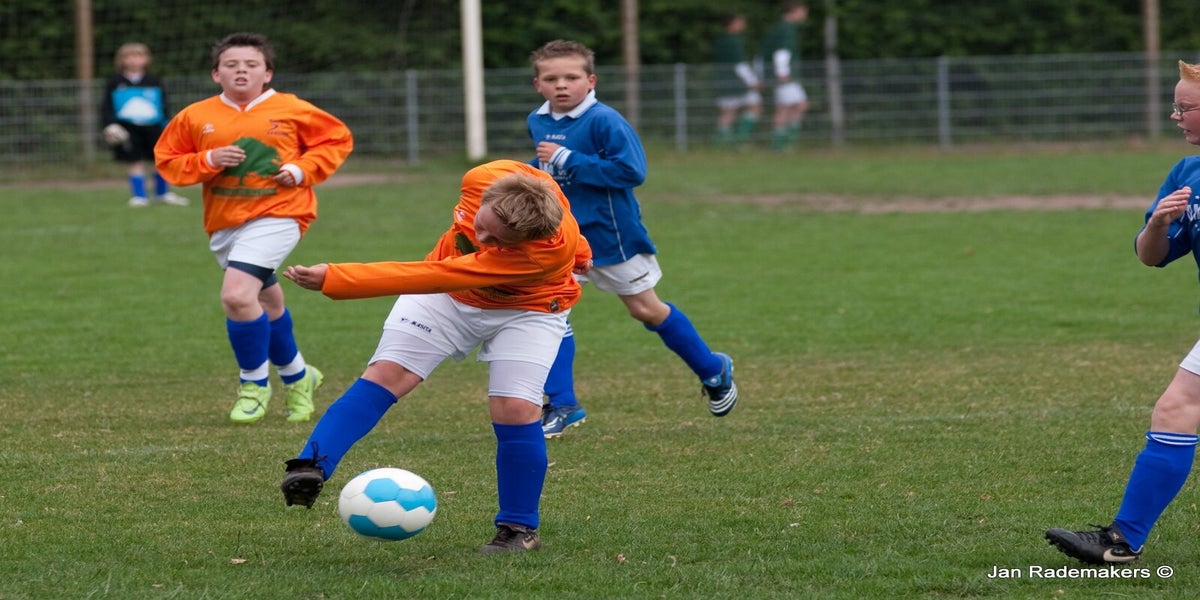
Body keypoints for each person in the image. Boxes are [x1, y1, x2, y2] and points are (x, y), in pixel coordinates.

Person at [279, 160, 593, 554]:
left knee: (515, 407)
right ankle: (309, 466)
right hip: (446, 300)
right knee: (388, 373)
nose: (482, 238)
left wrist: (335, 278)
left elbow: (433, 276)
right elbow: (557, 203)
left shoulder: (539, 254)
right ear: (487, 196)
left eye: (497, 241)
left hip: (529, 309)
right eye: (481, 226)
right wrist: (584, 251)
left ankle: (519, 529)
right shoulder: (486, 178)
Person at [526, 39, 738, 439]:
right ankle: (563, 403)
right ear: (538, 84)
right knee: (548, 310)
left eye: (571, 77)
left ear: (591, 81)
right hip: (564, 235)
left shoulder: (604, 120)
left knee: (645, 309)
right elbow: (546, 165)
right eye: (551, 79)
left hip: (612, 234)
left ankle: (713, 369)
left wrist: (569, 159)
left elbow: (631, 171)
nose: (561, 85)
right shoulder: (538, 120)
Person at [1045, 59, 1200, 565]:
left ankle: (1123, 540)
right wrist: (1157, 224)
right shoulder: (1186, 174)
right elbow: (1150, 256)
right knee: (1177, 408)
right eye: (1175, 105)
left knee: (1178, 407)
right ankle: (1122, 540)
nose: (1174, 115)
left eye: (1184, 107)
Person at [154, 32, 353, 424]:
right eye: (231, 65)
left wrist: (301, 170)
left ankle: (253, 386)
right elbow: (168, 161)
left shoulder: (291, 108)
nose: (241, 70)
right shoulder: (195, 116)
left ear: (267, 73)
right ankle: (299, 376)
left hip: (282, 213)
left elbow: (336, 140)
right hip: (224, 223)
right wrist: (208, 159)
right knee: (267, 303)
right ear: (216, 74)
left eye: (251, 64)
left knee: (236, 296)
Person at [100, 42, 189, 208]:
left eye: (138, 56)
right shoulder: (115, 82)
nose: (134, 60)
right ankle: (140, 197)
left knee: (160, 160)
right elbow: (107, 106)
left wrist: (168, 124)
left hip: (153, 127)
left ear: (146, 59)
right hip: (128, 128)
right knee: (135, 161)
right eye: (129, 56)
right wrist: (110, 125)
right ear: (122, 60)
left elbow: (164, 104)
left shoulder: (154, 81)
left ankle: (162, 194)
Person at [759, 3, 810, 151]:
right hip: (785, 76)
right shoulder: (786, 28)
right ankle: (783, 142)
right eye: (803, 11)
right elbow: (782, 52)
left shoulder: (782, 28)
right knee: (793, 107)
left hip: (784, 75)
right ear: (793, 11)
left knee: (790, 107)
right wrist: (782, 72)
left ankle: (783, 142)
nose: (805, 15)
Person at [712, 13, 762, 147]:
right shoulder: (733, 41)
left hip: (725, 80)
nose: (743, 25)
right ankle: (736, 140)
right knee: (734, 111)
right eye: (740, 22)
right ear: (732, 23)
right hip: (737, 82)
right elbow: (739, 64)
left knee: (733, 111)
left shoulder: (721, 40)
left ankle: (728, 141)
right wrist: (752, 81)